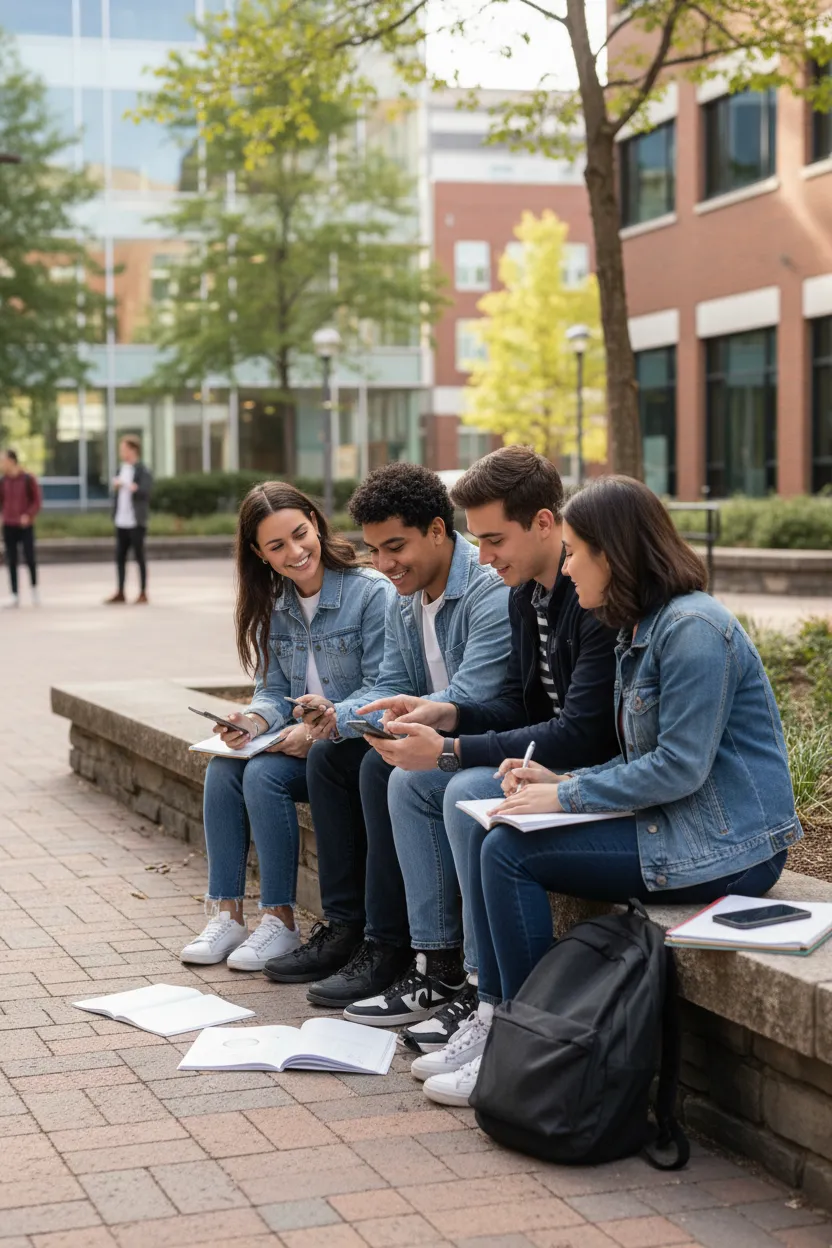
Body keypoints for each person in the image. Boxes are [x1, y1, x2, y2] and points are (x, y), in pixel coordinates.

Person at [419, 475, 801, 1107]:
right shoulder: (637, 630)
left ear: (614, 554)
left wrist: (564, 800)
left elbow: (679, 768)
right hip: (675, 823)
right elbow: (639, 759)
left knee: (509, 851)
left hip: (732, 847)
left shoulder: (693, 630)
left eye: (575, 552)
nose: (567, 569)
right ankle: (508, 1029)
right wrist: (561, 779)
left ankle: (529, 1047)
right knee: (501, 835)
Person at [347, 446, 618, 1045]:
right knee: (406, 778)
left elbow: (583, 732)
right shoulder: (528, 595)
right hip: (551, 755)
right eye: (480, 540)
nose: (485, 556)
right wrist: (450, 713)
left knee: (463, 786)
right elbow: (522, 709)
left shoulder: (590, 600)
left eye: (493, 539)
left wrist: (450, 749)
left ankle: (479, 986)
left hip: (594, 769)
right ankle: (436, 967)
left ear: (545, 523)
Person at [263, 462, 512, 1011]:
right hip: (427, 734)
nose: (383, 565)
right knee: (331, 756)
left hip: (481, 739)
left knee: (381, 769)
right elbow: (394, 684)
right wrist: (337, 717)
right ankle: (349, 929)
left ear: (439, 531)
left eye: (395, 547)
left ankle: (400, 947)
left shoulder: (487, 592)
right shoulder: (405, 599)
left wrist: (390, 724)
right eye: (374, 550)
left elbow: (469, 698)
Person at [180, 482, 392, 970]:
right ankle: (228, 914)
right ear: (260, 553)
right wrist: (251, 722)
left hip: (350, 745)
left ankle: (280, 919)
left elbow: (384, 686)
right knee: (223, 767)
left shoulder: (369, 594)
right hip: (304, 742)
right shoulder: (276, 604)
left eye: (301, 534)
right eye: (277, 546)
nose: (296, 552)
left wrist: (321, 725)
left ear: (316, 523)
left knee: (261, 775)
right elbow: (273, 691)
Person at [105, 435, 153, 605]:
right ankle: (120, 591)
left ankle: (142, 592)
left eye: (124, 449)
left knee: (139, 556)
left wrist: (129, 486)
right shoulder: (121, 469)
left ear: (133, 450)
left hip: (136, 521)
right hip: (121, 520)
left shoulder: (142, 470)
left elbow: (145, 491)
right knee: (120, 557)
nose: (122, 453)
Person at [0, 450, 41, 609]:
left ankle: (34, 589)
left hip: (25, 525)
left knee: (30, 558)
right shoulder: (3, 481)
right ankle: (14, 594)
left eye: (3, 460)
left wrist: (29, 515)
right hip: (9, 524)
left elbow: (36, 501)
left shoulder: (27, 479)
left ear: (11, 461)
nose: (1, 464)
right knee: (11, 559)